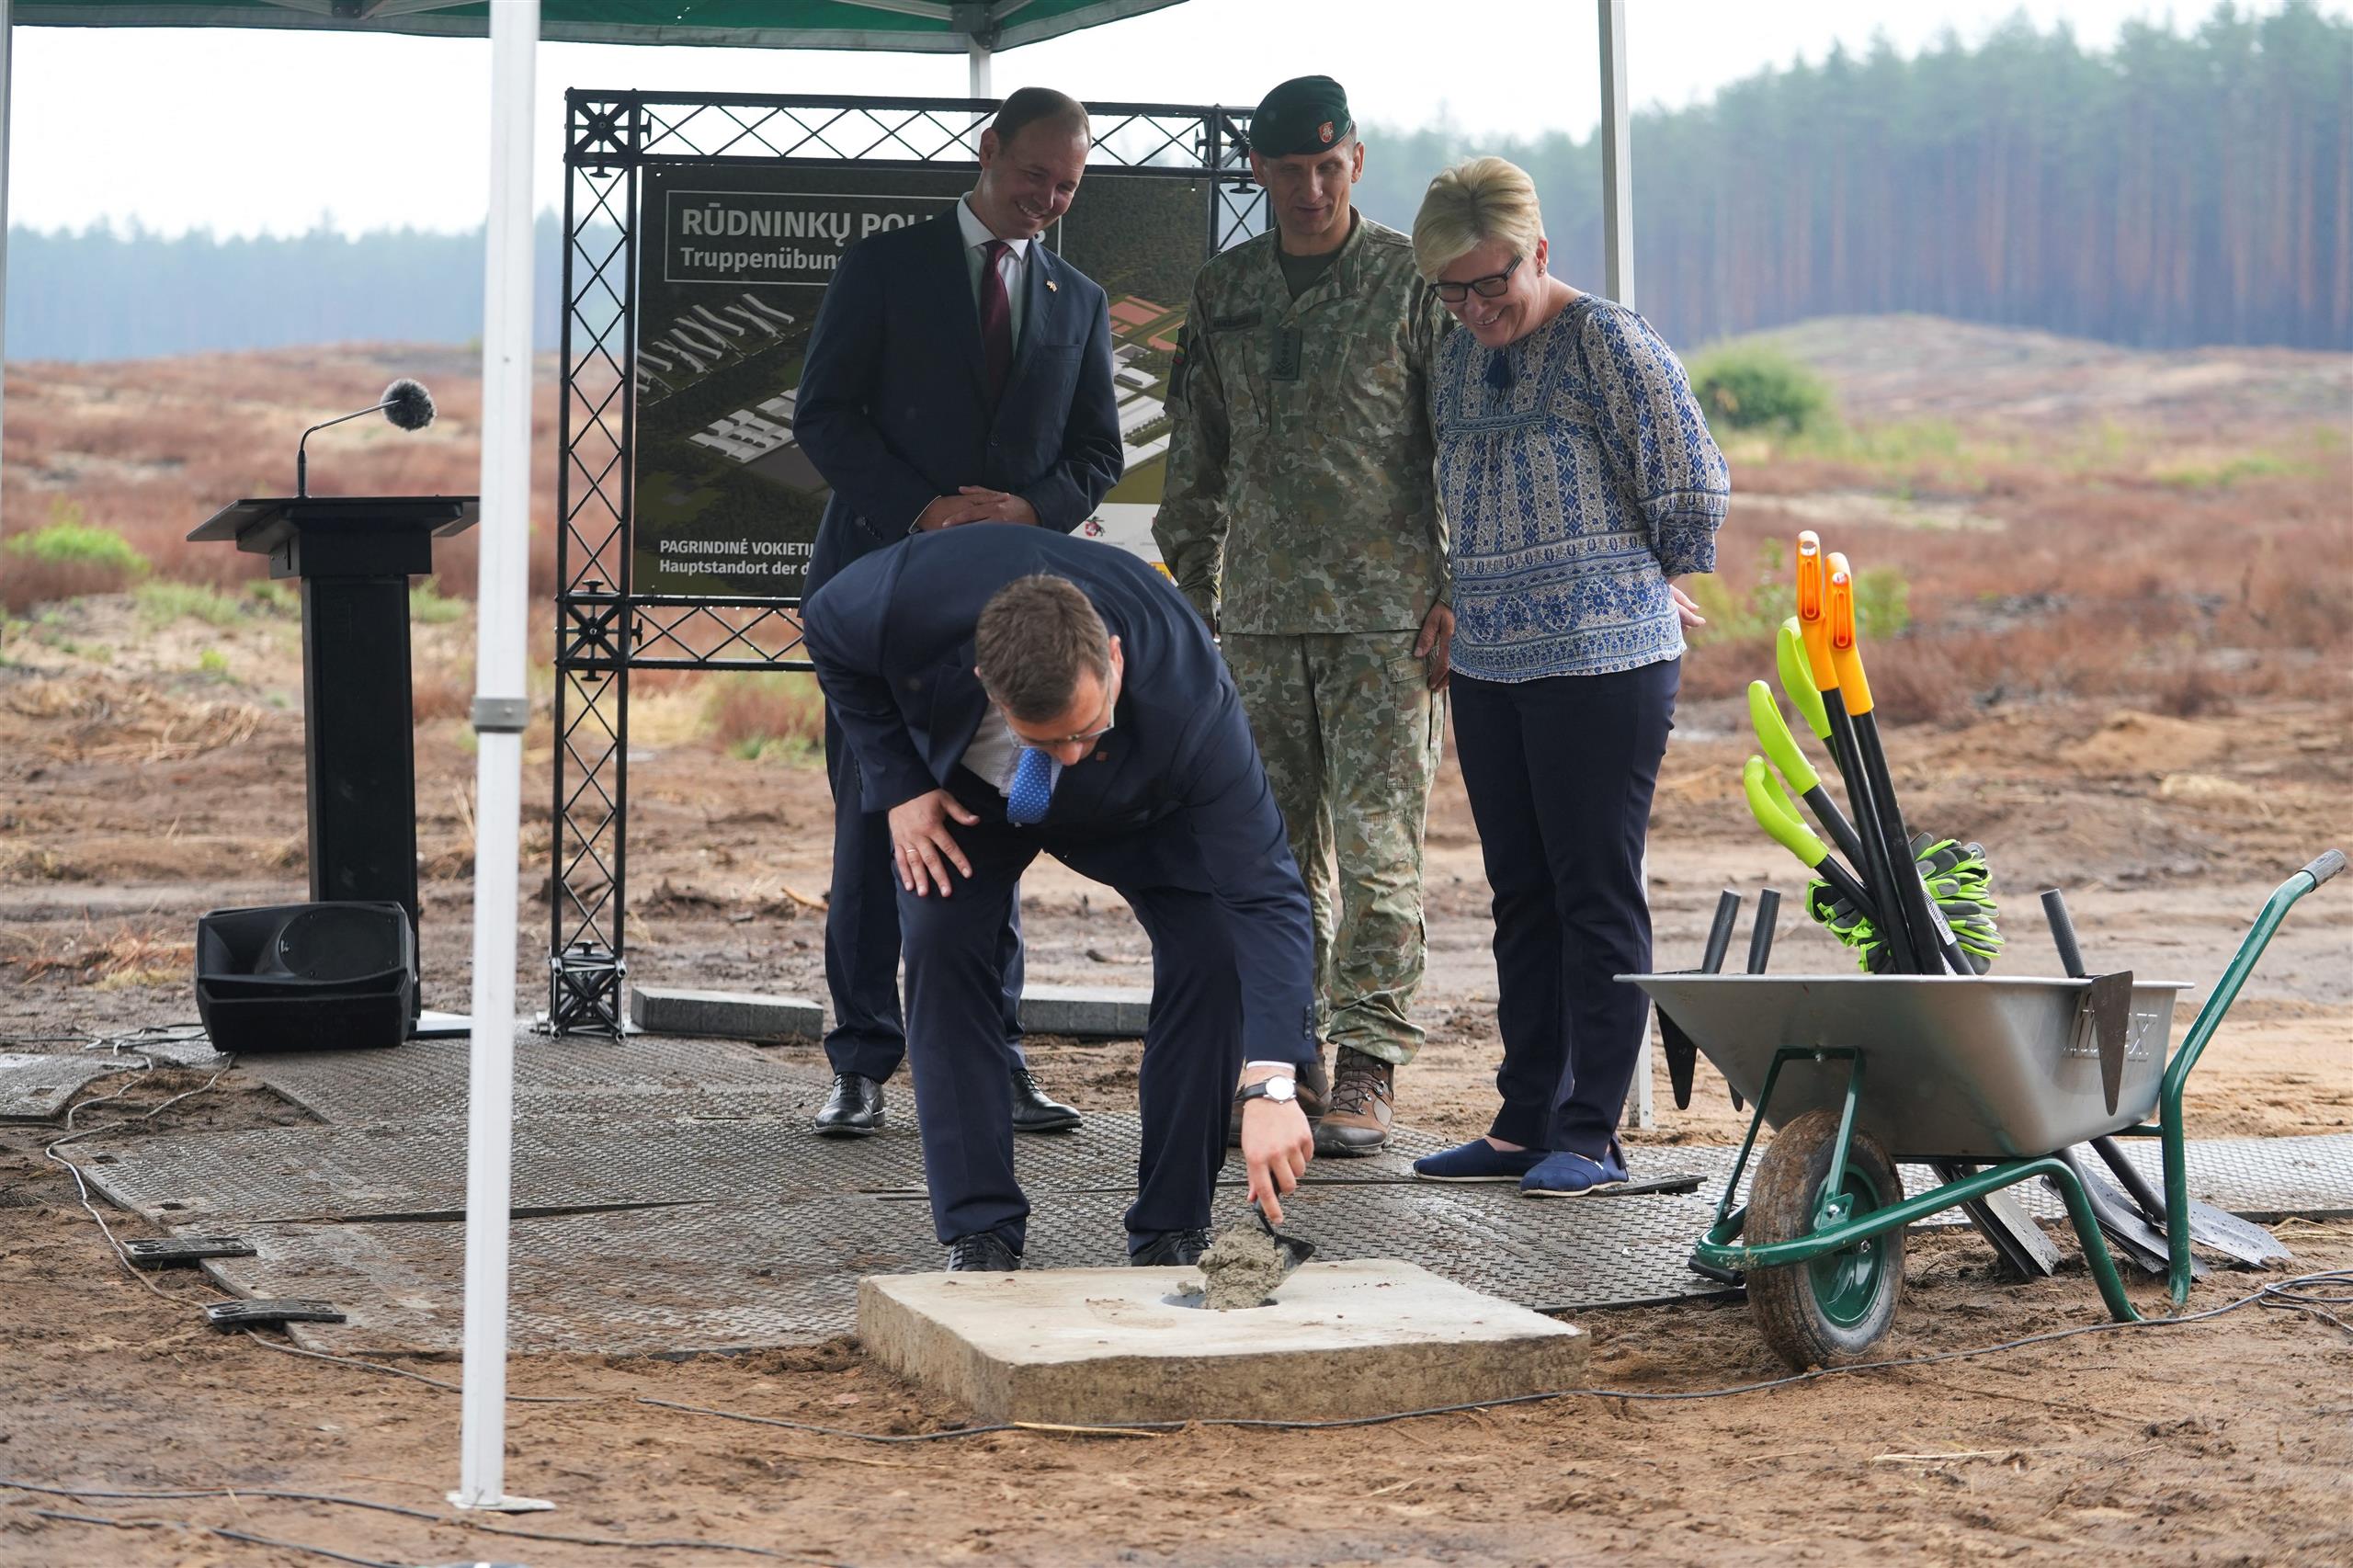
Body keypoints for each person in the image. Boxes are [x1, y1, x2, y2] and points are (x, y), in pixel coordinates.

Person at [801, 526, 1321, 1269]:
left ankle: (1173, 1225)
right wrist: (900, 785)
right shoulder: (898, 600)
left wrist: (1271, 1083)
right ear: (987, 680)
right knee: (942, 946)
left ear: (1112, 659)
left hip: (1143, 797)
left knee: (1211, 948)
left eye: (1084, 729)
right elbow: (826, 632)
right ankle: (979, 1231)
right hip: (975, 796)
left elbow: (1267, 893)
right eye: (1047, 739)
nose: (1070, 755)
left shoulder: (1192, 701)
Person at [793, 86, 1123, 1142]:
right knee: (873, 825)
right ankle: (861, 1061)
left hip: (1014, 615)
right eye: (1034, 176)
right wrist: (924, 509)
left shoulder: (1078, 296)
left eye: (1067, 186)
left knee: (999, 829)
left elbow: (1097, 454)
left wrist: (1031, 513)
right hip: (885, 590)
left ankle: (996, 1054)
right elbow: (823, 415)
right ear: (988, 153)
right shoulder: (884, 265)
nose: (1047, 200)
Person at [1404, 157, 1727, 1197]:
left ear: (1537, 252)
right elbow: (1451, 486)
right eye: (1450, 289)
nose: (1473, 305)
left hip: (1601, 663)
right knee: (1520, 895)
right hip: (1490, 663)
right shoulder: (1456, 358)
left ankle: (1590, 1130)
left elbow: (1690, 480)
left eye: (1490, 281)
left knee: (1593, 890)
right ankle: (1520, 1118)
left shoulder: (1609, 343)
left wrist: (1645, 576)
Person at [1154, 74, 1451, 1157]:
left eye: (1329, 166)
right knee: (1270, 850)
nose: (1312, 187)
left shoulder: (1408, 281)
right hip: (1261, 619)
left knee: (1379, 847)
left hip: (1388, 623)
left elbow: (1454, 439)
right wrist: (1189, 599)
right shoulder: (1225, 288)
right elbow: (1196, 455)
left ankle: (1369, 1059)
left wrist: (1454, 585)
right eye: (1290, 170)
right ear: (1259, 173)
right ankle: (1291, 1053)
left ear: (1356, 162)